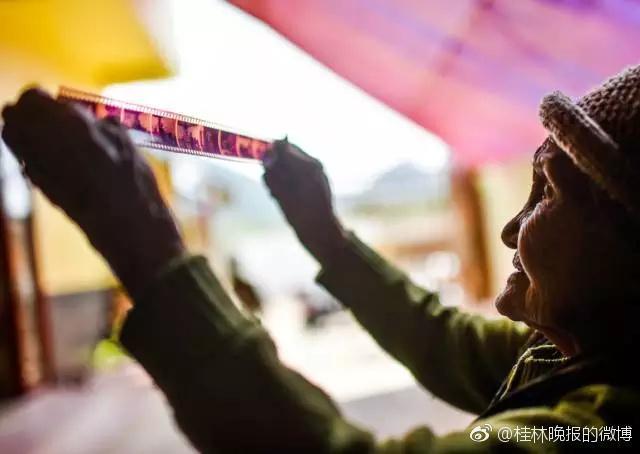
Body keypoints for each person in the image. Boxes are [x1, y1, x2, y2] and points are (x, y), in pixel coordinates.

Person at [2, 65, 640, 453]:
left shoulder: (608, 428)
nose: (508, 229)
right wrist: (325, 235)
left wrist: (147, 251)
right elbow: (445, 339)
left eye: (549, 193)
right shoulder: (577, 353)